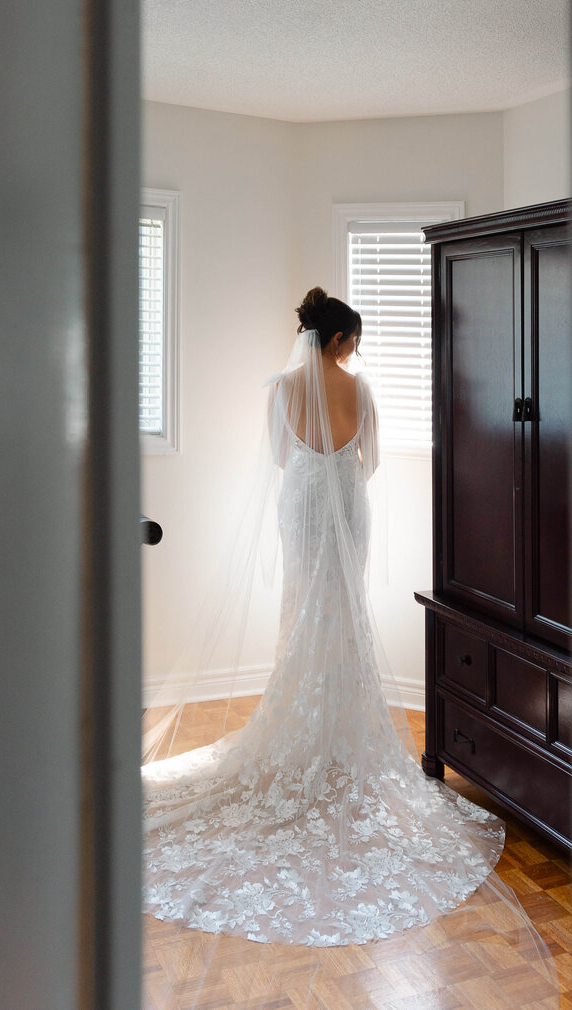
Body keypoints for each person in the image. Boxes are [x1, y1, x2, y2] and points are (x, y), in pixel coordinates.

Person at [141, 288, 556, 1007]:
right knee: (342, 613)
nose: (355, 352)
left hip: (301, 503)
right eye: (353, 340)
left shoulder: (279, 388)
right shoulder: (358, 389)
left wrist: (312, 468)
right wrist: (338, 474)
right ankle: (336, 735)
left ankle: (304, 727)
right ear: (338, 340)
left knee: (304, 612)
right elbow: (364, 463)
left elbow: (277, 457)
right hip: (343, 507)